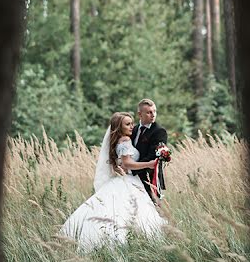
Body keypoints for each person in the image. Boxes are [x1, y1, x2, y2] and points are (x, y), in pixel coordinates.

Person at [59, 112, 166, 249]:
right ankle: (126, 243)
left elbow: (121, 162)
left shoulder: (122, 139)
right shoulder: (125, 140)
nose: (131, 126)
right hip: (129, 180)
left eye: (132, 123)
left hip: (125, 179)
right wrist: (149, 164)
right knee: (130, 212)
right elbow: (127, 163)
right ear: (119, 127)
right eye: (127, 124)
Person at [130, 99, 168, 202]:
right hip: (131, 179)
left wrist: (130, 168)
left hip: (150, 179)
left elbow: (152, 156)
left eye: (154, 111)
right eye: (149, 112)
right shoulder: (133, 129)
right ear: (140, 114)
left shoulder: (159, 131)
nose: (153, 115)